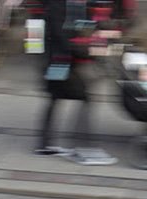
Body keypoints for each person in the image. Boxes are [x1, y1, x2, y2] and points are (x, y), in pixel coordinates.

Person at [35, 0, 117, 165]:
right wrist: (81, 50)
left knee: (55, 98)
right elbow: (60, 33)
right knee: (83, 97)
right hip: (59, 61)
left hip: (59, 61)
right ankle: (83, 146)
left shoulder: (68, 4)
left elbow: (79, 25)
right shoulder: (57, 5)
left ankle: (45, 144)